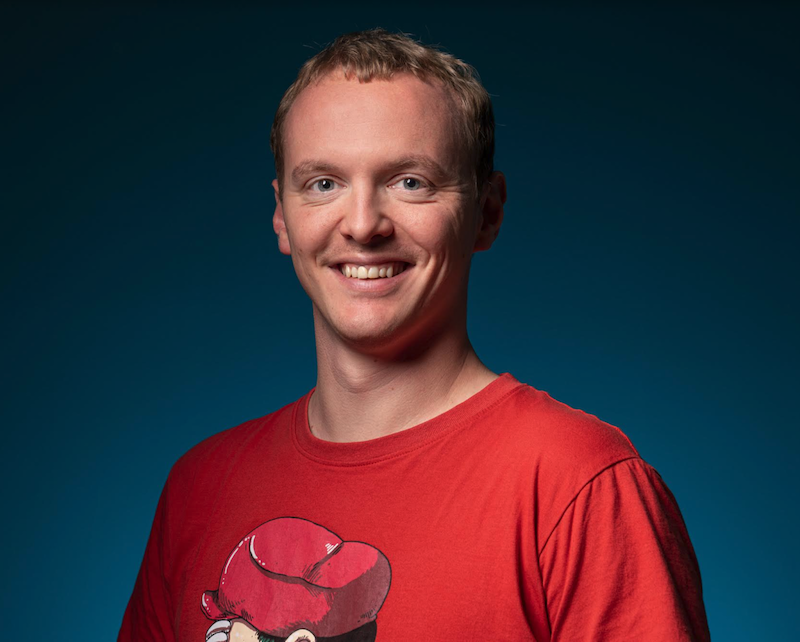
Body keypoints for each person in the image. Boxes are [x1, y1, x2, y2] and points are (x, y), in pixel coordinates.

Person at [119, 29, 710, 641]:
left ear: (487, 212)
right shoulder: (199, 487)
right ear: (282, 215)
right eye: (324, 183)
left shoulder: (579, 485)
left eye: (410, 182)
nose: (362, 224)